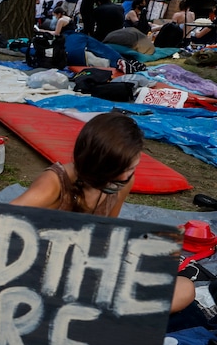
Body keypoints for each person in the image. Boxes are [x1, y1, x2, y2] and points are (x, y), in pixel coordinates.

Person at [10, 113, 194, 313]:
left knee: (185, 289)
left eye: (131, 168)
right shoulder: (54, 183)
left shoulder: (124, 182)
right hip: (42, 276)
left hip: (86, 272)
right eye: (119, 170)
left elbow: (106, 235)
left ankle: (102, 313)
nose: (125, 176)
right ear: (97, 163)